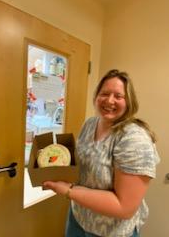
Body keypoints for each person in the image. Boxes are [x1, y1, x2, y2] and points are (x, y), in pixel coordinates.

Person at [42, 69, 160, 237]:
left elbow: (124, 207)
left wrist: (68, 190)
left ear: (129, 101)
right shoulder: (91, 123)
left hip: (111, 231)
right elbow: (83, 164)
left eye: (118, 96)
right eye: (104, 93)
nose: (109, 100)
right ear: (96, 96)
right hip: (79, 218)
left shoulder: (134, 139)